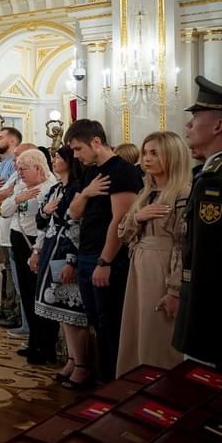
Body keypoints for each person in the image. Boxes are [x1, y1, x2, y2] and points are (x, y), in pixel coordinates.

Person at [64, 119, 143, 382]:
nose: (75, 155)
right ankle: (103, 380)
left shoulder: (121, 171)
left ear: (96, 142)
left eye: (78, 149)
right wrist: (85, 193)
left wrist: (105, 261)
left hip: (106, 258)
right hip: (87, 254)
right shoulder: (91, 171)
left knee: (111, 325)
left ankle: (115, 384)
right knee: (97, 322)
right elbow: (74, 213)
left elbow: (120, 221)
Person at [174, 76, 222, 376]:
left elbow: (210, 261)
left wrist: (196, 325)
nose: (188, 126)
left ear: (218, 126)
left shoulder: (217, 180)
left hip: (217, 316)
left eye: (195, 117)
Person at [116, 131, 190, 376]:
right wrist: (138, 216)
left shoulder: (183, 193)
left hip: (163, 267)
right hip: (139, 263)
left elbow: (183, 243)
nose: (146, 158)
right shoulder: (145, 194)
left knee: (157, 333)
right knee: (136, 329)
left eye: (154, 153)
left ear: (172, 155)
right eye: (145, 152)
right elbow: (123, 233)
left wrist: (175, 289)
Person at [32, 145, 89, 388]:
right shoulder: (56, 188)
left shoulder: (76, 188)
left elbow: (76, 224)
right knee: (60, 309)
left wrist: (71, 259)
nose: (54, 160)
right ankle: (72, 359)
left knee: (72, 311)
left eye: (58, 157)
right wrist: (45, 211)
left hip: (66, 251)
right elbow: (41, 222)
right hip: (51, 249)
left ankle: (82, 364)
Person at [1, 149, 58, 364]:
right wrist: (18, 197)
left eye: (23, 169)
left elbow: (47, 221)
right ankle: (34, 341)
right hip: (18, 240)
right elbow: (4, 210)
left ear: (37, 167)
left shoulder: (49, 187)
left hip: (36, 244)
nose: (20, 173)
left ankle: (46, 346)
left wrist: (37, 249)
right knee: (26, 293)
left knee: (39, 295)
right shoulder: (23, 186)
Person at [0, 127, 24, 330]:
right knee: (8, 266)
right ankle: (8, 305)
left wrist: (0, 191)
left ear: (13, 141)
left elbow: (10, 193)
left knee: (15, 269)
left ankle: (15, 309)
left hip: (13, 223)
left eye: (1, 136)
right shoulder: (4, 165)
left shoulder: (17, 166)